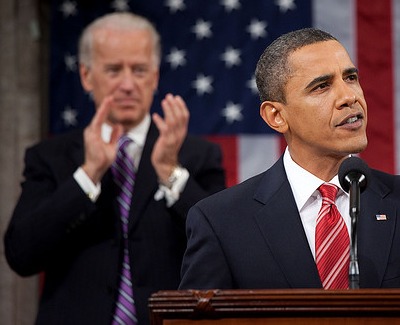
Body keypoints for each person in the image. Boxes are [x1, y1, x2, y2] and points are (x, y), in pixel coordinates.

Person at [4, 12, 225, 325]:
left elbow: (224, 249)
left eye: (139, 70)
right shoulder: (50, 157)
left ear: (155, 76)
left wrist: (169, 171)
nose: (127, 84)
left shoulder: (196, 156)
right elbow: (21, 255)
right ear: (86, 76)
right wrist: (87, 175)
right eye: (113, 70)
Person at [179, 27, 400, 291]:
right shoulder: (221, 222)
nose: (349, 97)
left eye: (350, 78)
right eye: (322, 86)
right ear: (276, 116)